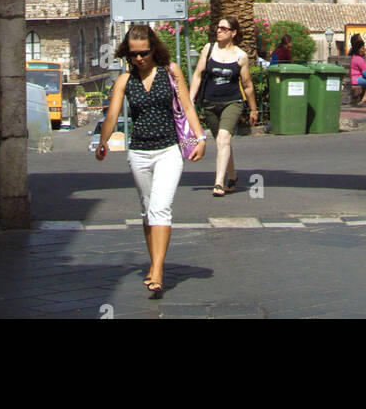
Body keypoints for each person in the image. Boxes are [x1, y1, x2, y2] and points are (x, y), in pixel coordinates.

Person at [96, 23, 205, 297]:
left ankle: (157, 270)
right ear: (126, 54)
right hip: (139, 153)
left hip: (169, 150)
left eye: (144, 52)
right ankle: (154, 263)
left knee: (159, 208)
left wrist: (199, 138)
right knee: (147, 210)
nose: (139, 58)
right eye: (133, 54)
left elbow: (187, 107)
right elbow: (112, 115)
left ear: (154, 49)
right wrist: (103, 141)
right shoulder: (124, 81)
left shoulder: (171, 72)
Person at [190, 17, 258, 196]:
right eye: (217, 27)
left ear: (233, 33)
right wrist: (190, 99)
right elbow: (197, 75)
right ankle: (233, 176)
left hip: (232, 102)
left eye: (223, 28)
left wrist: (253, 109)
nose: (218, 31)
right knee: (223, 142)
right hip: (210, 103)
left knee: (222, 139)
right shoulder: (209, 49)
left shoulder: (240, 56)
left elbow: (248, 85)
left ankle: (218, 183)